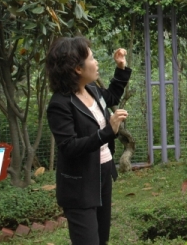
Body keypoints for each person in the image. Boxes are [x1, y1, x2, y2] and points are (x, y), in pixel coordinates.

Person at [46, 37, 131, 245]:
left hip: (102, 175)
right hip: (79, 186)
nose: (96, 62)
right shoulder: (60, 104)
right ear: (77, 69)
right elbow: (69, 147)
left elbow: (110, 97)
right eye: (92, 58)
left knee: (102, 240)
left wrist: (121, 69)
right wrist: (107, 132)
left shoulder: (91, 90)